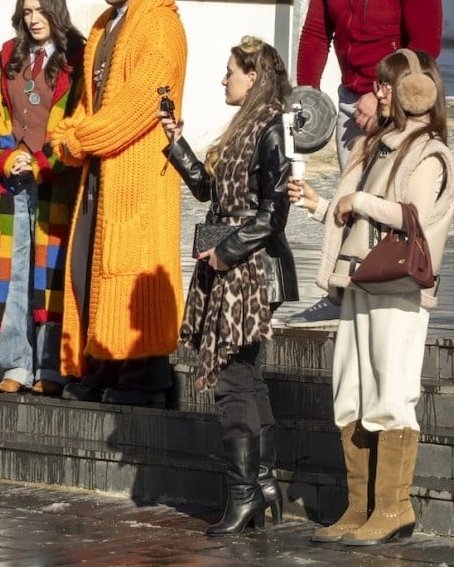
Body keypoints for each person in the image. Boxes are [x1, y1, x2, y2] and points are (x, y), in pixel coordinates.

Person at [289, 49, 454, 546]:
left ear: (414, 90)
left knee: (391, 392)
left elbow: (417, 218)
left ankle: (394, 507)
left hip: (399, 288)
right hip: (361, 283)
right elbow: (357, 223)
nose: (377, 92)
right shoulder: (375, 144)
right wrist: (322, 205)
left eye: (388, 84)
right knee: (352, 393)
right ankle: (360, 505)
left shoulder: (429, 151)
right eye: (379, 84)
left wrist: (358, 201)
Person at [158, 36, 299, 536]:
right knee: (248, 380)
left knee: (235, 382)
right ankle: (261, 487)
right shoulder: (244, 127)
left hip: (250, 270)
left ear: (254, 76)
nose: (224, 79)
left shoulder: (270, 127)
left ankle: (243, 494)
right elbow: (207, 189)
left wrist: (228, 250)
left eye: (231, 71)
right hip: (232, 262)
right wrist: (176, 142)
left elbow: (274, 211)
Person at [290, 0, 444, 326]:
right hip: (347, 101)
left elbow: (426, 49)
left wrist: (382, 95)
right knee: (349, 197)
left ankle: (389, 289)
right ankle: (341, 294)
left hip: (399, 107)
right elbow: (316, 35)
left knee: (386, 200)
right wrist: (307, 96)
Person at [51, 0, 187, 406]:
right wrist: (67, 134)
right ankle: (104, 365)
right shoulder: (104, 25)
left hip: (140, 170)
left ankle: (146, 378)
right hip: (102, 170)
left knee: (133, 268)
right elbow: (90, 104)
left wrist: (77, 139)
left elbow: (142, 104)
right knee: (90, 266)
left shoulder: (161, 23)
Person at [0, 0, 85, 397]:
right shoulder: (9, 55)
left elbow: (77, 119)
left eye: (41, 11)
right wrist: (6, 157)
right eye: (27, 12)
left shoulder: (77, 58)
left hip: (57, 182)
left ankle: (51, 366)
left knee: (51, 274)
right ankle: (15, 363)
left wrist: (43, 162)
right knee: (13, 273)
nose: (34, 19)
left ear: (56, 11)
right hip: (10, 182)